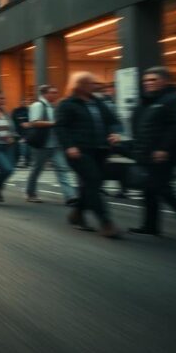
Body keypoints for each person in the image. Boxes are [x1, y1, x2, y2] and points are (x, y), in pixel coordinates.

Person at [128, 67, 176, 243]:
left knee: (163, 190)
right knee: (149, 190)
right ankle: (150, 226)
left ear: (165, 81)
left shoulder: (174, 100)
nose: (148, 83)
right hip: (148, 153)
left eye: (153, 80)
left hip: (166, 154)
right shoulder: (149, 101)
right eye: (146, 80)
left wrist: (164, 148)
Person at [55, 72, 122, 238]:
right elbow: (61, 127)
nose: (95, 86)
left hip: (100, 150)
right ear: (80, 85)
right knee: (93, 180)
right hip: (79, 151)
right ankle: (105, 222)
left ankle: (77, 213)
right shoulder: (67, 104)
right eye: (91, 83)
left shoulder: (98, 102)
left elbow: (113, 120)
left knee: (92, 184)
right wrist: (69, 146)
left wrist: (114, 132)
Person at [24, 85, 77, 205]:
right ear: (44, 94)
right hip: (42, 144)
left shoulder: (55, 106)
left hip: (56, 144)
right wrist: (54, 123)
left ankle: (70, 196)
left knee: (62, 168)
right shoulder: (38, 105)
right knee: (37, 169)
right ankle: (30, 193)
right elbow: (34, 122)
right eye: (53, 92)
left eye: (57, 92)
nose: (55, 95)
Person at [11, 98, 32, 168]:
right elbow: (12, 122)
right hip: (17, 132)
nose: (24, 103)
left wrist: (28, 124)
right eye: (23, 101)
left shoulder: (29, 111)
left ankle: (26, 161)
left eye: (25, 102)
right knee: (18, 145)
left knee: (24, 144)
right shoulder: (15, 111)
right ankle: (19, 161)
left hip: (27, 133)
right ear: (20, 102)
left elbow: (33, 121)